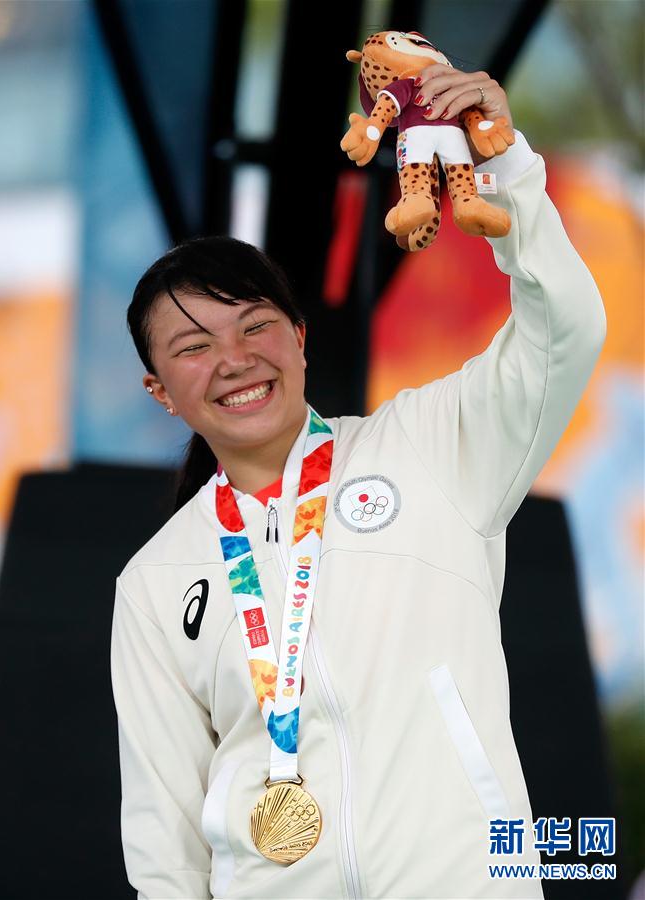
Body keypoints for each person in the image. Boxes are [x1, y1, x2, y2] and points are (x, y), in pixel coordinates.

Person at [110, 64, 606, 900]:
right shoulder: (155, 581)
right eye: (194, 347)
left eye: (255, 325)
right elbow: (164, 835)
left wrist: (503, 163)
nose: (234, 360)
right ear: (160, 391)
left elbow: (565, 330)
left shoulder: (429, 445)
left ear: (299, 339)